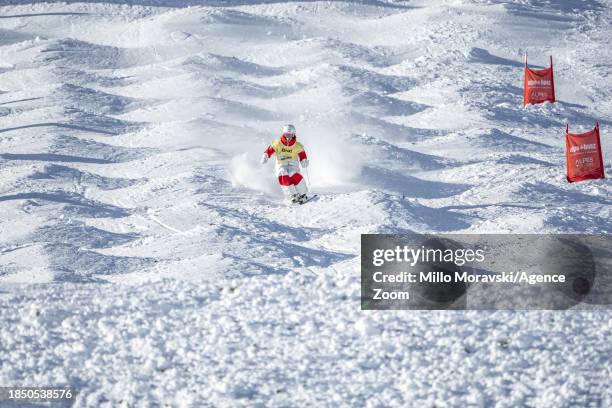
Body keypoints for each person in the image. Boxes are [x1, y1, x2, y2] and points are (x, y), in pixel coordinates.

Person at [261, 124, 309, 203]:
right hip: (281, 164)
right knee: (282, 173)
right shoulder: (278, 143)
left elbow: (302, 154)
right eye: (286, 134)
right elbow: (269, 150)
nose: (288, 137)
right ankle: (292, 195)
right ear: (283, 134)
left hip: (293, 164)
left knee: (293, 174)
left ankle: (303, 194)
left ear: (293, 134)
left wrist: (304, 161)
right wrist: (265, 156)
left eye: (290, 135)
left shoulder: (297, 145)